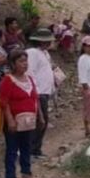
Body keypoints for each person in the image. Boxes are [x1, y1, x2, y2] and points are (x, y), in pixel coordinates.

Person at [0, 50, 42, 178]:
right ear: (13, 64)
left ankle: (26, 173)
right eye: (21, 61)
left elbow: (35, 98)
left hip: (28, 121)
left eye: (25, 61)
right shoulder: (8, 80)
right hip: (15, 121)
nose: (25, 64)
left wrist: (39, 115)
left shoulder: (29, 79)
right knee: (12, 150)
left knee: (26, 147)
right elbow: (4, 103)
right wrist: (10, 120)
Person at [26, 28, 55, 158]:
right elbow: (30, 72)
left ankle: (36, 149)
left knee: (42, 122)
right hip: (38, 92)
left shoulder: (45, 54)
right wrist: (35, 90)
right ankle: (31, 150)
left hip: (45, 92)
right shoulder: (32, 53)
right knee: (39, 121)